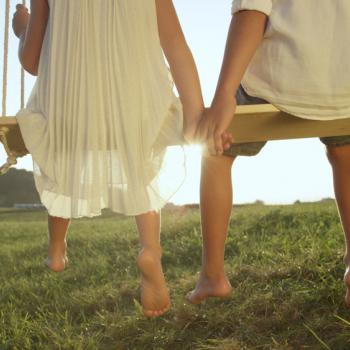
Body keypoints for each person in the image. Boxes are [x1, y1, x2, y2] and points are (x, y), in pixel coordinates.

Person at [12, 0, 204, 317]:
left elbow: (32, 62)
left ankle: (57, 249)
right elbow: (175, 44)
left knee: (62, 157)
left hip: (70, 111)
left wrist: (21, 26)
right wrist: (194, 110)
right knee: (140, 165)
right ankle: (150, 249)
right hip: (135, 108)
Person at [187, 0, 350, 306]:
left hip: (278, 75)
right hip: (343, 83)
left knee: (215, 151)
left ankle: (213, 275)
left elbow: (252, 11)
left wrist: (224, 93)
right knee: (346, 156)